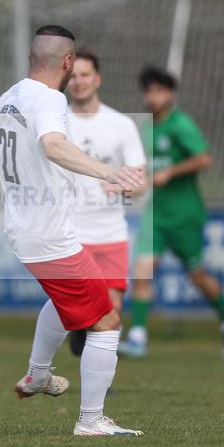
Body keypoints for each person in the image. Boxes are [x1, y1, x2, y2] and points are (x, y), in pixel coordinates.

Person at [0, 25, 146, 437]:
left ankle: (38, 375)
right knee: (105, 320)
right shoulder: (50, 98)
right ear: (68, 63)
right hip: (48, 235)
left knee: (66, 304)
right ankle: (91, 421)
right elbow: (53, 145)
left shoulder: (11, 95)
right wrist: (108, 171)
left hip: (26, 230)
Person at [118, 67, 224, 361]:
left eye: (159, 91)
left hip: (185, 215)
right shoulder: (146, 129)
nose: (153, 97)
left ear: (170, 94)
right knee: (143, 270)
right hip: (156, 215)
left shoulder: (181, 124)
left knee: (198, 277)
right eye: (148, 91)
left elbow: (205, 158)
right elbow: (145, 172)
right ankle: (138, 336)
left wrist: (171, 171)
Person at [65, 50, 146, 357]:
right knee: (81, 314)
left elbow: (141, 185)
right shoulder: (56, 125)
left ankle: (101, 388)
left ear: (97, 79)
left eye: (85, 75)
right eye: (72, 75)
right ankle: (78, 329)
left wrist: (124, 185)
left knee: (111, 315)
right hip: (70, 235)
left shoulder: (121, 124)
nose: (79, 81)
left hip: (111, 234)